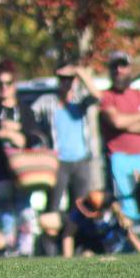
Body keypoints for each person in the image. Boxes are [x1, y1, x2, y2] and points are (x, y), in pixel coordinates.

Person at [0, 59, 42, 256]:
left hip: (22, 169)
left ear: (15, 84)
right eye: (0, 84)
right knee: (4, 209)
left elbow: (34, 135)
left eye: (8, 83)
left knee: (23, 207)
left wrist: (18, 133)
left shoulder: (24, 110)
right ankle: (7, 247)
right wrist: (0, 133)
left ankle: (25, 247)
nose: (4, 88)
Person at [31, 64, 102, 214]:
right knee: (53, 205)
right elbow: (29, 119)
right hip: (58, 162)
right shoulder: (47, 101)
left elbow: (98, 96)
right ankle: (52, 236)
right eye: (63, 79)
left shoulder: (80, 101)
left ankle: (73, 237)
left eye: (69, 79)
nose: (66, 83)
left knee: (80, 207)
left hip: (81, 161)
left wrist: (79, 71)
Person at [98, 50, 140, 222]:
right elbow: (116, 122)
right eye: (114, 66)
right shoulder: (107, 96)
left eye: (123, 66)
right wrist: (139, 116)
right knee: (126, 202)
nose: (119, 70)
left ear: (130, 68)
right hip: (119, 158)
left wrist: (125, 123)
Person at [62, 190, 140, 258]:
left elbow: (129, 232)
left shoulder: (115, 217)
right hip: (93, 248)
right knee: (87, 254)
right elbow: (68, 235)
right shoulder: (79, 216)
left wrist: (122, 217)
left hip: (118, 248)